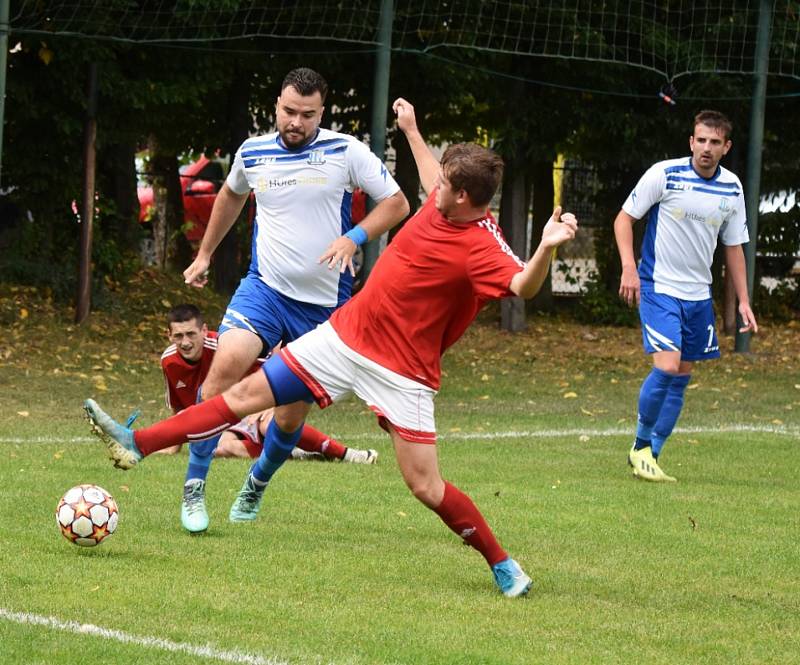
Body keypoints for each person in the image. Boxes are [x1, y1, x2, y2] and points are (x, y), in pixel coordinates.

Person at [84, 96, 578, 598]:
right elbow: (433, 174)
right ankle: (137, 444)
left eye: (446, 186)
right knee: (241, 396)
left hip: (403, 371)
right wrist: (410, 128)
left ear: (466, 197)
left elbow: (523, 286)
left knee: (425, 486)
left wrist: (544, 248)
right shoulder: (445, 196)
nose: (434, 189)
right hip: (345, 337)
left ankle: (503, 564)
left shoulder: (483, 245)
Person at [169, 68, 408, 533]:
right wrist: (204, 254)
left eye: (307, 114)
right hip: (264, 289)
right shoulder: (253, 151)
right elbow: (232, 195)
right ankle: (195, 487)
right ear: (276, 105)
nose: (295, 122)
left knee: (289, 413)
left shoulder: (345, 152)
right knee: (223, 370)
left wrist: (353, 238)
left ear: (323, 112)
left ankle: (257, 482)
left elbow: (397, 203)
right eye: (288, 111)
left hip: (322, 309)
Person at [614, 109, 758, 483]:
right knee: (666, 366)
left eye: (714, 142)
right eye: (700, 141)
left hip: (697, 296)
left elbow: (734, 247)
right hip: (659, 286)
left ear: (726, 147)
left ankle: (653, 455)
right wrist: (629, 267)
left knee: (681, 376)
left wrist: (743, 300)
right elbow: (624, 218)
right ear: (691, 142)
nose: (706, 148)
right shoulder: (665, 174)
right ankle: (640, 445)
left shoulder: (732, 188)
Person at [160, 302, 377, 460]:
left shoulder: (226, 347)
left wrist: (267, 403)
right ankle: (290, 453)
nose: (186, 342)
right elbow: (180, 408)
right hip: (225, 417)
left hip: (252, 403)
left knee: (269, 424)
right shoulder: (169, 361)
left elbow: (276, 365)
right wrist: (173, 445)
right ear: (169, 335)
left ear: (204, 330)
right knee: (223, 449)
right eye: (178, 336)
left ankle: (348, 454)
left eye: (191, 334)